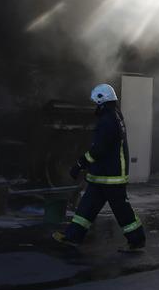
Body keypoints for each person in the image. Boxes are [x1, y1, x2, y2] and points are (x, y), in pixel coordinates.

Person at [53, 83, 146, 252]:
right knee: (87, 207)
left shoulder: (107, 121)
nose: (94, 107)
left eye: (96, 104)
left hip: (111, 176)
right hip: (102, 175)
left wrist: (80, 164)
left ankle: (137, 240)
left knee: (121, 210)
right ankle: (73, 237)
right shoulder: (114, 115)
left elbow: (99, 149)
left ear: (102, 102)